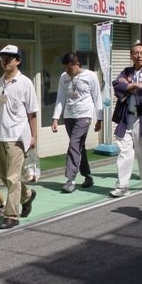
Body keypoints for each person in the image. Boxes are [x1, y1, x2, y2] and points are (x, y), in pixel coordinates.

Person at [0, 45, 38, 229]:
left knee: (12, 177)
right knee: (3, 175)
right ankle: (27, 195)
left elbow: (32, 113)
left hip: (18, 136)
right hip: (0, 136)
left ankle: (11, 216)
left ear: (18, 60)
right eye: (2, 57)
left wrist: (34, 136)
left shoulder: (25, 83)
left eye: (9, 57)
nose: (5, 60)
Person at [51, 52, 103, 193]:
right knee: (79, 146)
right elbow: (60, 98)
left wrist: (99, 119)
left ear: (77, 64)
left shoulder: (90, 76)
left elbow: (97, 98)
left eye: (70, 68)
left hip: (84, 115)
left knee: (74, 143)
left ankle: (70, 179)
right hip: (69, 115)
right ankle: (88, 176)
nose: (68, 72)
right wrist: (55, 118)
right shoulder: (64, 77)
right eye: (65, 69)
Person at [110, 42, 142, 197]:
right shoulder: (127, 71)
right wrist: (135, 85)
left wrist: (128, 86)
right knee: (125, 153)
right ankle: (122, 186)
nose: (138, 56)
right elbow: (116, 85)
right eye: (135, 53)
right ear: (131, 55)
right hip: (126, 118)